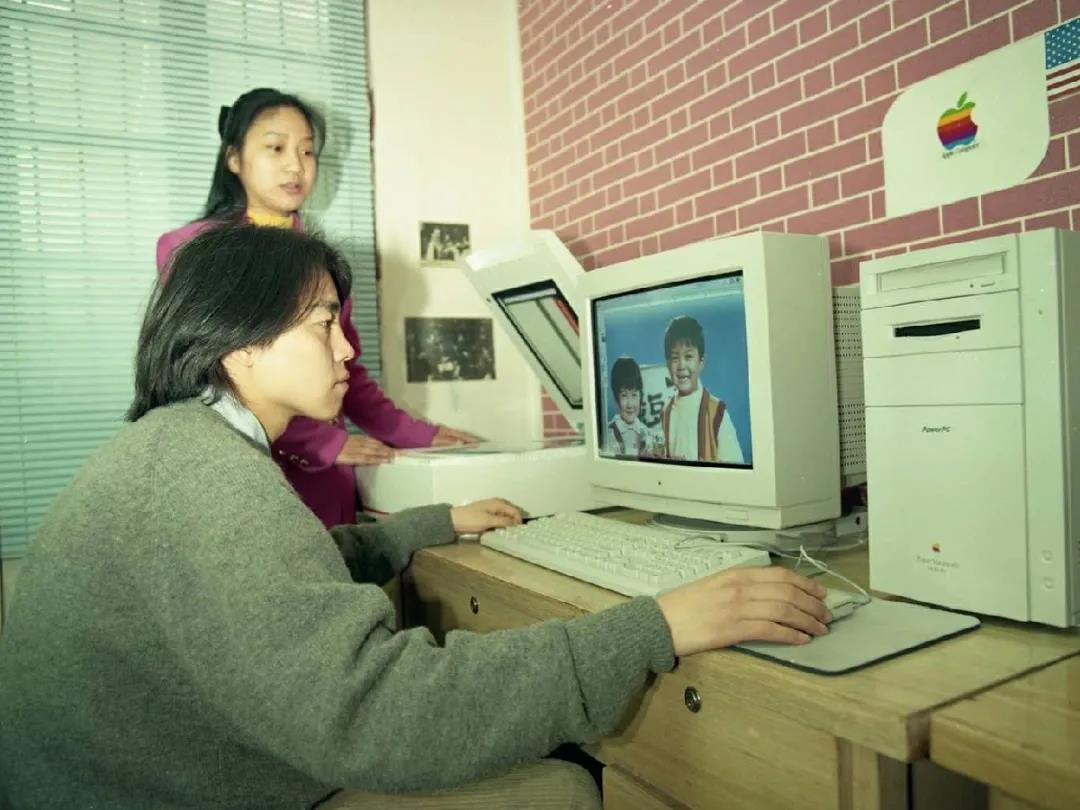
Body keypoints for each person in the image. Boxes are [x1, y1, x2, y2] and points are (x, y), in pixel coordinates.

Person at [0, 226, 832, 808]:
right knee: (570, 787)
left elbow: (278, 581)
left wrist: (421, 527)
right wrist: (656, 624)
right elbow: (382, 713)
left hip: (148, 779)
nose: (346, 349)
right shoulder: (208, 479)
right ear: (240, 342)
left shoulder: (178, 448)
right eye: (323, 325)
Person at [155, 87, 473, 529]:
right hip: (247, 470)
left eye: (307, 151)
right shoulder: (193, 250)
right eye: (276, 148)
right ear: (233, 158)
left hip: (326, 485)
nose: (295, 165)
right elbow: (205, 376)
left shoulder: (320, 259)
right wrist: (322, 444)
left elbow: (346, 369)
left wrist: (421, 435)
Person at [660, 315, 745, 463]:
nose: (681, 366)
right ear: (668, 364)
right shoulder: (666, 413)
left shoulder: (717, 412)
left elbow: (734, 469)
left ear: (701, 362)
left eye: (688, 356)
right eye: (675, 358)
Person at [603, 356, 657, 457]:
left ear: (640, 395)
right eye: (624, 395)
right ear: (616, 397)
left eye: (634, 395)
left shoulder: (648, 434)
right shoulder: (607, 434)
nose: (630, 404)